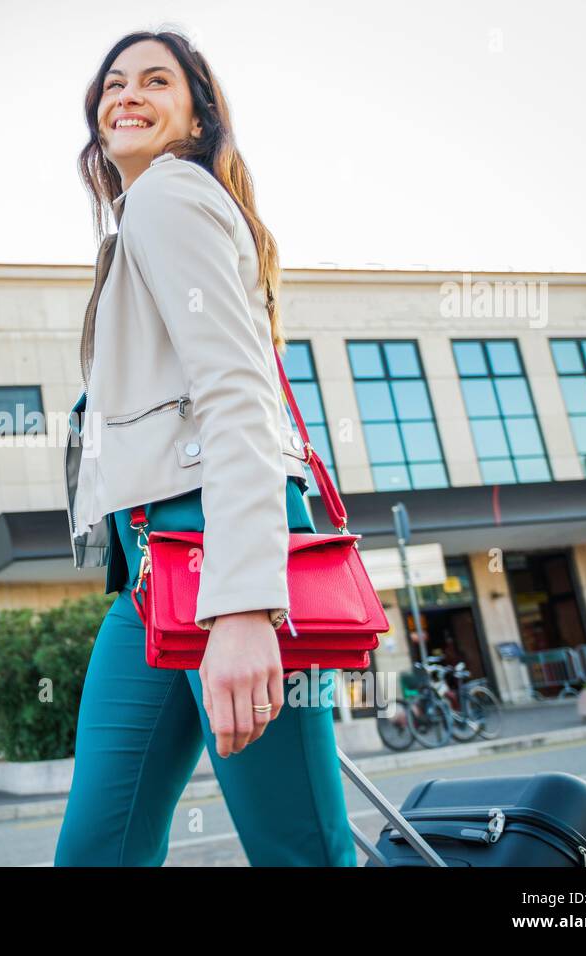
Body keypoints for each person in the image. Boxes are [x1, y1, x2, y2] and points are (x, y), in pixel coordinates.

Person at [55, 29, 357, 866]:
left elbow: (238, 394)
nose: (128, 95)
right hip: (150, 577)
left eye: (157, 80)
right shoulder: (140, 221)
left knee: (298, 849)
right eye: (113, 84)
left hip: (218, 551)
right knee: (96, 851)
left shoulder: (169, 194)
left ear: (197, 117)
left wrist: (245, 603)